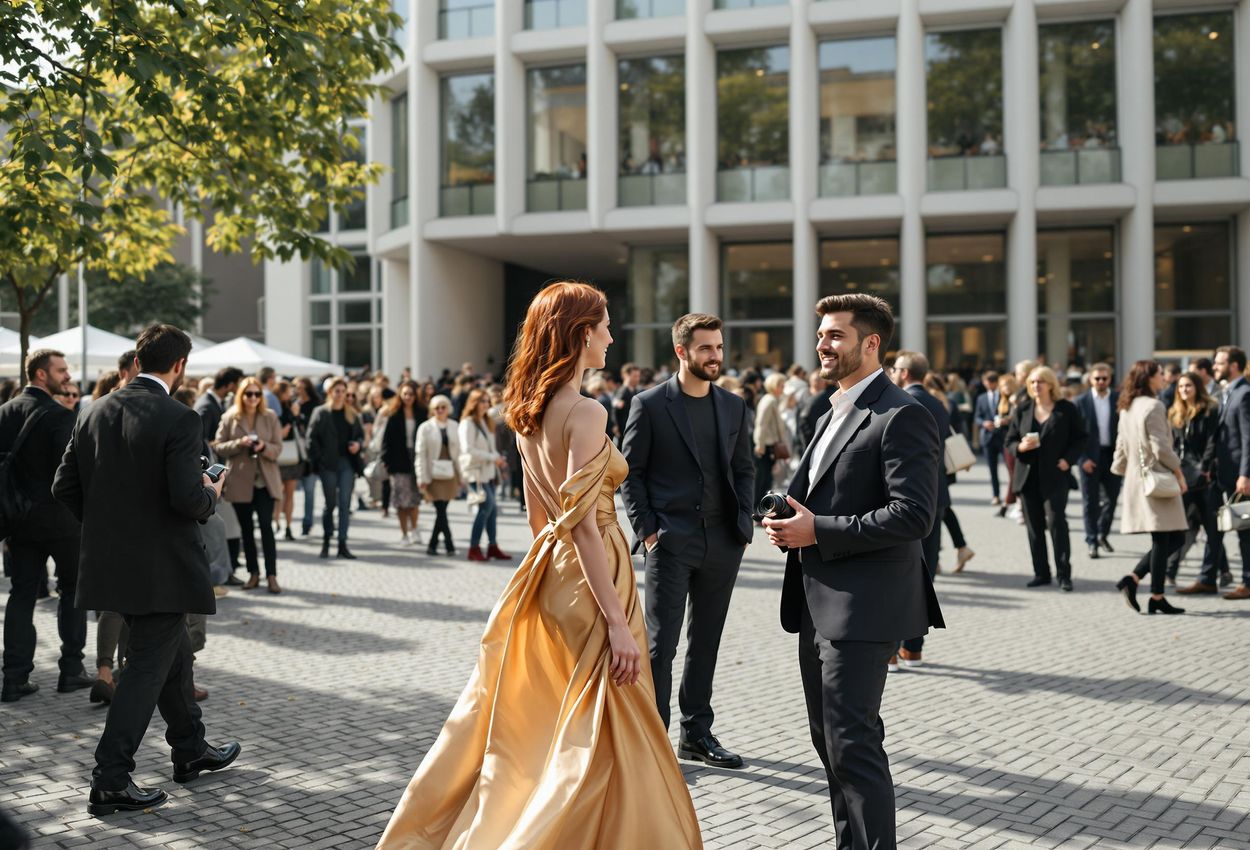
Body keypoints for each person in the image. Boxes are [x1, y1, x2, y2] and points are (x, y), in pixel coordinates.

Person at [375, 281, 703, 849]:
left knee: (567, 729)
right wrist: (619, 623)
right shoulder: (586, 412)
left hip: (554, 573)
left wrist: (547, 585)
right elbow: (580, 523)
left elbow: (539, 519)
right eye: (603, 325)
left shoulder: (527, 411)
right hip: (596, 576)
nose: (610, 336)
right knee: (607, 732)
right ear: (581, 333)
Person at [766, 293, 943, 850]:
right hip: (816, 601)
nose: (822, 343)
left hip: (865, 606)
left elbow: (914, 514)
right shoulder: (830, 410)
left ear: (871, 344)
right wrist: (784, 516)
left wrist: (819, 530)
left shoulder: (903, 413)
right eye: (821, 334)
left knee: (853, 743)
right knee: (831, 743)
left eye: (835, 335)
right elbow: (818, 496)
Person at [52, 324, 240, 815]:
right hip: (162, 568)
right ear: (178, 366)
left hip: (112, 564)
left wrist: (111, 529)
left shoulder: (93, 411)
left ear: (137, 359)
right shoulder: (178, 418)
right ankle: (110, 777)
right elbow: (187, 499)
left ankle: (191, 747)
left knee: (173, 654)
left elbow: (64, 488)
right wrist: (211, 494)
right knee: (143, 672)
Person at [621, 312, 755, 769]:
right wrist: (649, 532)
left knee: (707, 641)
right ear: (682, 351)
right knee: (661, 645)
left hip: (723, 541)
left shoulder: (734, 406)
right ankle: (653, 738)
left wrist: (743, 525)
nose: (715, 356)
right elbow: (630, 474)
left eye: (718, 347)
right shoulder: (650, 404)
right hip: (671, 541)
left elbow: (744, 468)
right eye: (705, 348)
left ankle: (696, 734)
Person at [0, 350, 91, 703]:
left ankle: (14, 677)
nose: (67, 376)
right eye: (61, 370)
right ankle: (71, 669)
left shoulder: (4, 413)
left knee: (22, 594)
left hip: (18, 521)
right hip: (61, 520)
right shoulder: (60, 416)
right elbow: (73, 473)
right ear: (41, 374)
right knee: (72, 592)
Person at [1110, 360, 1189, 615]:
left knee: (1167, 537)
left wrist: (1122, 472)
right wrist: (1179, 473)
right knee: (1166, 537)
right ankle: (1154, 594)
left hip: (1138, 477)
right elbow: (1161, 448)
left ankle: (1136, 582)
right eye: (1160, 373)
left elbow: (1121, 447)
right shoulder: (1154, 406)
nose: (1164, 377)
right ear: (1149, 378)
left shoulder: (1127, 407)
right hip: (1157, 477)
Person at [889, 351, 950, 669]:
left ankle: (893, 648)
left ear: (904, 372)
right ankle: (914, 647)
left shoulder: (900, 402)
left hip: (906, 499)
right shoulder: (939, 402)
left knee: (900, 573)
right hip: (936, 497)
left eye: (894, 367)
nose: (891, 371)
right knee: (925, 573)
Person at [1005, 366, 1086, 591]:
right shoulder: (1022, 410)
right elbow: (1009, 441)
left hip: (1055, 476)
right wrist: (1020, 446)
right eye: (1032, 383)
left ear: (1051, 384)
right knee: (1034, 528)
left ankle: (1064, 574)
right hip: (1028, 476)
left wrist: (1068, 460)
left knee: (1057, 523)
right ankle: (1041, 572)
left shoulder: (1066, 409)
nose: (1035, 386)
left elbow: (1080, 438)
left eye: (1040, 382)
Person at [213, 377, 283, 594]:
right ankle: (254, 573)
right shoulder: (230, 417)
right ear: (241, 395)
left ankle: (272, 575)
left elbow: (278, 448)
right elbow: (218, 446)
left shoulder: (270, 417)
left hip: (265, 481)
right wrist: (239, 443)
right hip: (241, 481)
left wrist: (263, 446)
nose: (253, 398)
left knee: (266, 528)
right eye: (249, 394)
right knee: (247, 530)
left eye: (257, 394)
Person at [1161, 373, 1221, 584]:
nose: (1184, 390)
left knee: (1212, 528)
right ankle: (1170, 571)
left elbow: (1213, 440)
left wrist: (1205, 467)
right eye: (1181, 386)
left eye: (1188, 386)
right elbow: (1172, 445)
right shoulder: (1174, 413)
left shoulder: (1209, 409)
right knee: (1180, 526)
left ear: (1197, 387)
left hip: (1204, 477)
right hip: (1182, 476)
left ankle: (1214, 573)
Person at [306, 377, 364, 560]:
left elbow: (360, 436)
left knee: (345, 504)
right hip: (328, 465)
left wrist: (358, 445)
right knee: (330, 504)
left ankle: (342, 543)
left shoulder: (352, 414)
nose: (340, 395)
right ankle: (326, 541)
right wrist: (319, 458)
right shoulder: (321, 412)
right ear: (330, 392)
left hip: (347, 463)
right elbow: (311, 438)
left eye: (343, 391)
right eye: (336, 391)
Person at [925, 372, 975, 574]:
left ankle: (942, 553)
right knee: (942, 508)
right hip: (945, 463)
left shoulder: (932, 402)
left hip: (937, 462)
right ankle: (959, 548)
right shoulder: (948, 401)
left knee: (939, 509)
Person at [1211, 346, 1250, 600]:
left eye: (1219, 362)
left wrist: (1245, 474)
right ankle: (1207, 577)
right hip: (1220, 473)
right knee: (1212, 524)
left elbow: (1248, 438)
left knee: (1245, 529)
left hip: (1239, 475)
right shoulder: (1225, 392)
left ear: (1233, 365)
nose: (1215, 366)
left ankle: (1248, 581)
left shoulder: (1244, 394)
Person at [1075, 363, 1122, 560]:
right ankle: (1092, 540)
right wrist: (1082, 458)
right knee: (1090, 502)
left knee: (1111, 500)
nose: (1101, 381)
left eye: (1105, 378)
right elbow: (1074, 434)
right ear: (1090, 380)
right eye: (1097, 378)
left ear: (1110, 379)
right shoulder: (1081, 402)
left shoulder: (1119, 400)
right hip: (1089, 458)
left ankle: (1103, 533)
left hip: (1113, 457)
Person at [459, 387, 510, 562]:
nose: (486, 404)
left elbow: (490, 446)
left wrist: (498, 459)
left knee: (492, 509)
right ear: (474, 403)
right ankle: (474, 547)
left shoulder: (486, 421)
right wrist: (492, 457)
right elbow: (467, 449)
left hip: (488, 471)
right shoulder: (467, 422)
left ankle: (493, 546)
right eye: (482, 401)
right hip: (475, 472)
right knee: (485, 507)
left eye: (487, 401)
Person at [416, 395, 462, 556]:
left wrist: (461, 475)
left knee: (442, 510)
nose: (440, 410)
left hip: (450, 472)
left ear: (448, 408)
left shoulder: (455, 425)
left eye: (443, 407)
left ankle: (434, 545)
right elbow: (420, 454)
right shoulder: (425, 427)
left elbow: (460, 452)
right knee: (440, 510)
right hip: (432, 473)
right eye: (437, 408)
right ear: (432, 410)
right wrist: (421, 477)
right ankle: (447, 544)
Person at [381, 379, 424, 545]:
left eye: (411, 394)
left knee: (414, 498)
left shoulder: (421, 412)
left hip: (416, 457)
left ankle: (414, 529)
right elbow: (386, 440)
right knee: (401, 500)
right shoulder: (393, 414)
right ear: (400, 395)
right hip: (398, 460)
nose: (408, 397)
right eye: (405, 393)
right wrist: (386, 461)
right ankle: (404, 533)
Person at [752, 372, 790, 511]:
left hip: (770, 446)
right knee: (763, 480)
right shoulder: (769, 400)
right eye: (781, 385)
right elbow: (761, 423)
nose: (783, 388)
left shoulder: (773, 399)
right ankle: (757, 509)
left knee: (766, 480)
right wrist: (760, 445)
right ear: (774, 386)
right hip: (766, 446)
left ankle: (759, 509)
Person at [274, 380, 303, 541]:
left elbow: (299, 427)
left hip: (291, 456)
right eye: (287, 391)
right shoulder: (275, 409)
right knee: (278, 492)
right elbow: (282, 433)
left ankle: (288, 526)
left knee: (290, 492)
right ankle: (277, 522)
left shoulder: (292, 407)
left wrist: (296, 415)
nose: (290, 394)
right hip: (278, 454)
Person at [293, 377, 321, 536]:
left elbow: (312, 428)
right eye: (297, 388)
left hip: (311, 453)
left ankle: (307, 522)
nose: (299, 391)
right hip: (295, 452)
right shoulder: (294, 404)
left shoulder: (315, 406)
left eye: (302, 388)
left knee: (309, 490)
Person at [974, 371, 1006, 506]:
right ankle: (996, 495)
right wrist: (983, 423)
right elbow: (977, 417)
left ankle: (1013, 496)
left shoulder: (1004, 396)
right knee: (992, 470)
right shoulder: (981, 398)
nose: (989, 385)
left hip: (1003, 436)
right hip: (988, 437)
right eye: (987, 382)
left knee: (1010, 468)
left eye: (992, 382)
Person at [612, 361, 642, 444]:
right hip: (624, 430)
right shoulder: (621, 392)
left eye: (638, 376)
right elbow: (615, 410)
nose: (637, 379)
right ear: (625, 375)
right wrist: (616, 425)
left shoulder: (637, 391)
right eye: (635, 376)